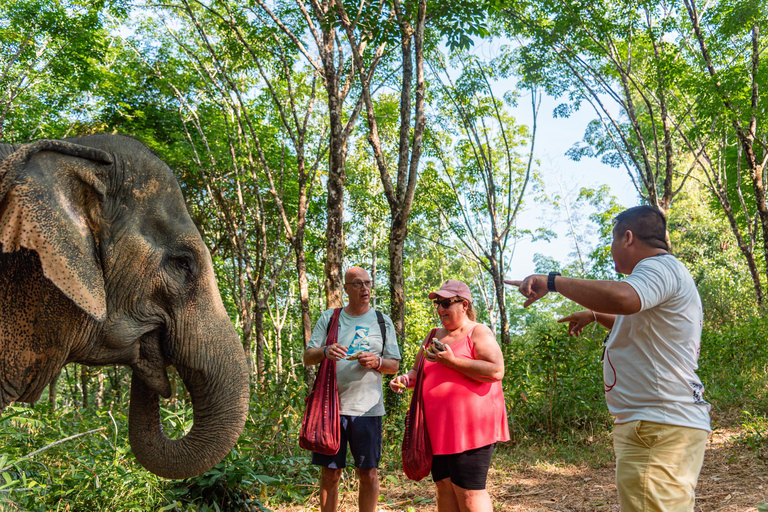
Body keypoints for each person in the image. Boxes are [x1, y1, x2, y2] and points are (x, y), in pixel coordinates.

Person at [506, 205, 711, 512]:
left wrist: (553, 282)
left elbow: (623, 298)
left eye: (612, 240)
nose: (611, 249)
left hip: (657, 423)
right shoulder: (667, 274)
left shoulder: (658, 268)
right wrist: (593, 314)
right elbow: (641, 327)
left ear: (627, 237)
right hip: (664, 422)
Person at [390, 279, 509, 512]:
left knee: (469, 491)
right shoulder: (433, 335)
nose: (440, 309)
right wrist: (405, 379)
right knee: (444, 487)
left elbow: (496, 370)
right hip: (438, 429)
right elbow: (418, 370)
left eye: (445, 303)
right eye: (437, 304)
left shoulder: (478, 331)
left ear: (464, 305)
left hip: (471, 428)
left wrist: (453, 361)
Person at [303, 266, 401, 512]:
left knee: (368, 473)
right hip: (331, 410)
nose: (364, 288)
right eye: (357, 284)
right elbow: (308, 356)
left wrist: (377, 362)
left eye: (367, 283)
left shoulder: (382, 320)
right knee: (330, 474)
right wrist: (325, 351)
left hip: (367, 410)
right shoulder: (330, 318)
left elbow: (394, 365)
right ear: (346, 289)